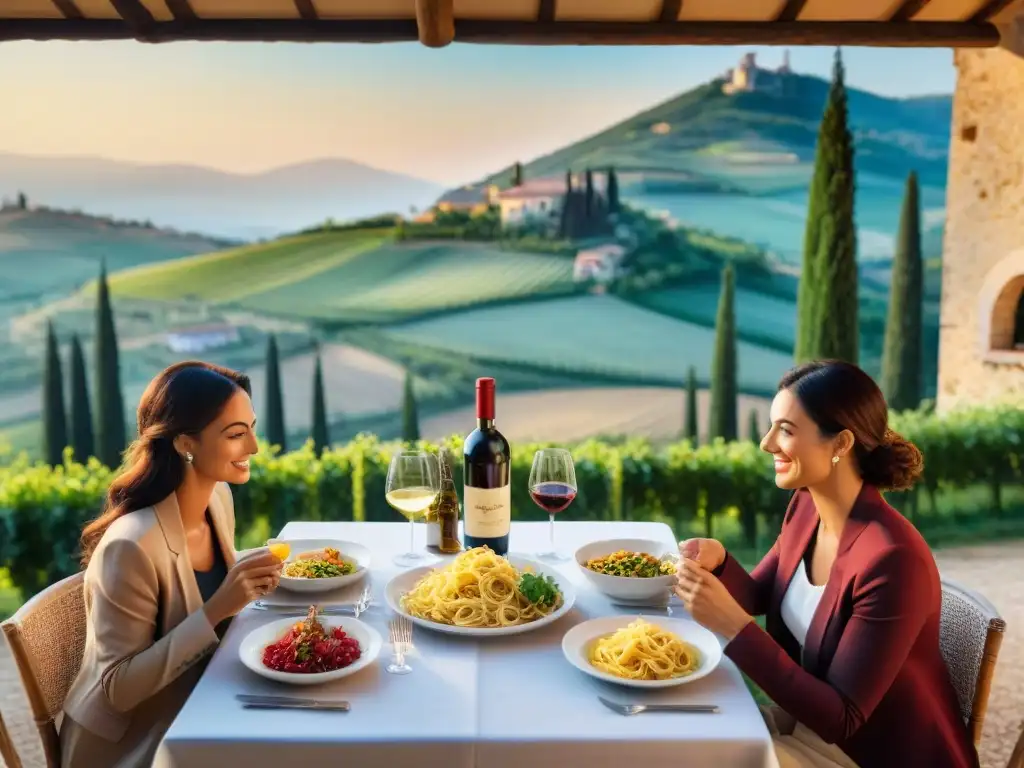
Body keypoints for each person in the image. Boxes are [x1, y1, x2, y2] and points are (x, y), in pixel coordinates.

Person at [674, 360, 978, 768]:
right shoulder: (806, 506)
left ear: (840, 444)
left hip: (873, 754)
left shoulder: (892, 561)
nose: (766, 443)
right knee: (672, 734)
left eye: (785, 429)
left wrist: (733, 627)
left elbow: (842, 718)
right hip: (811, 729)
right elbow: (762, 594)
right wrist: (721, 560)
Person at [59, 361, 285, 768]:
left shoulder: (218, 499)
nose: (253, 447)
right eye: (236, 434)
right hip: (132, 745)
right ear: (185, 444)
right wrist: (220, 607)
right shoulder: (130, 547)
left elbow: (206, 581)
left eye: (252, 428)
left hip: (199, 702)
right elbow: (118, 690)